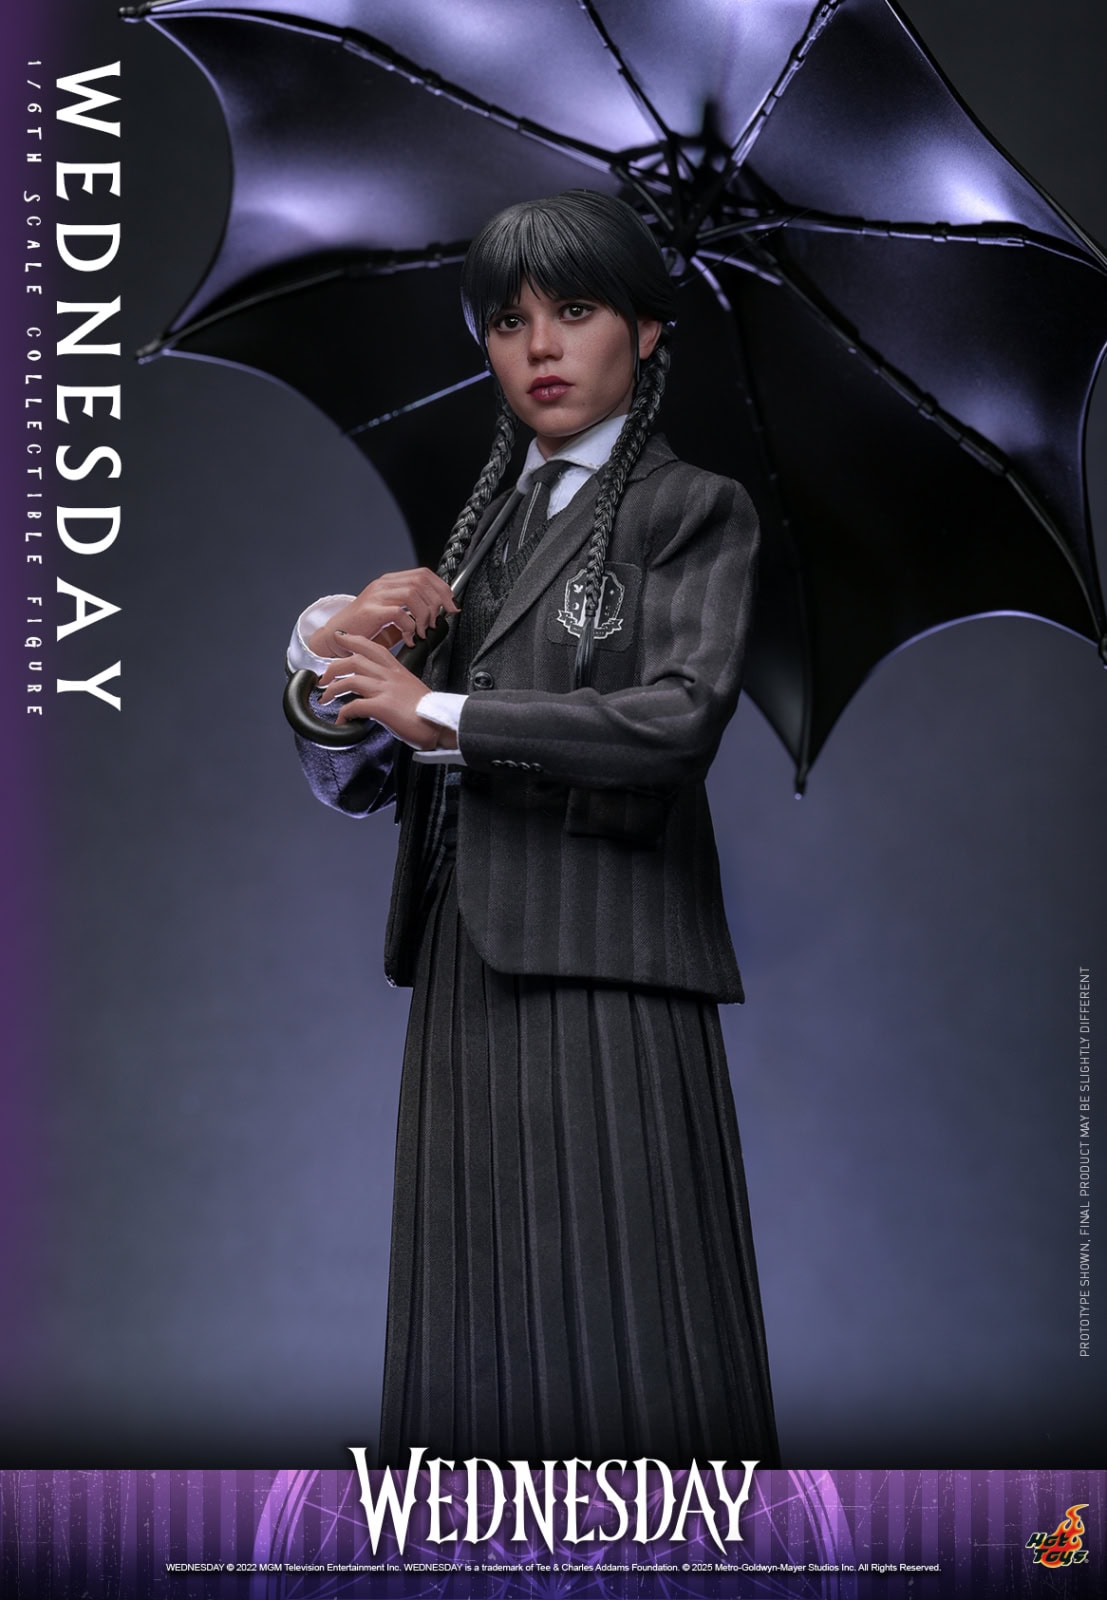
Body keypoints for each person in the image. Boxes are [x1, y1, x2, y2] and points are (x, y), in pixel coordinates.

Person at [288, 189, 778, 1466]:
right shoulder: (482, 531)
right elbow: (362, 781)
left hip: (609, 960)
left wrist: (443, 708)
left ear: (649, 331)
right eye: (508, 322)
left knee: (642, 1325)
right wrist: (331, 662)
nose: (541, 346)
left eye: (576, 308)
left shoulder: (692, 508)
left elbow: (676, 722)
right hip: (464, 962)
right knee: (463, 1333)